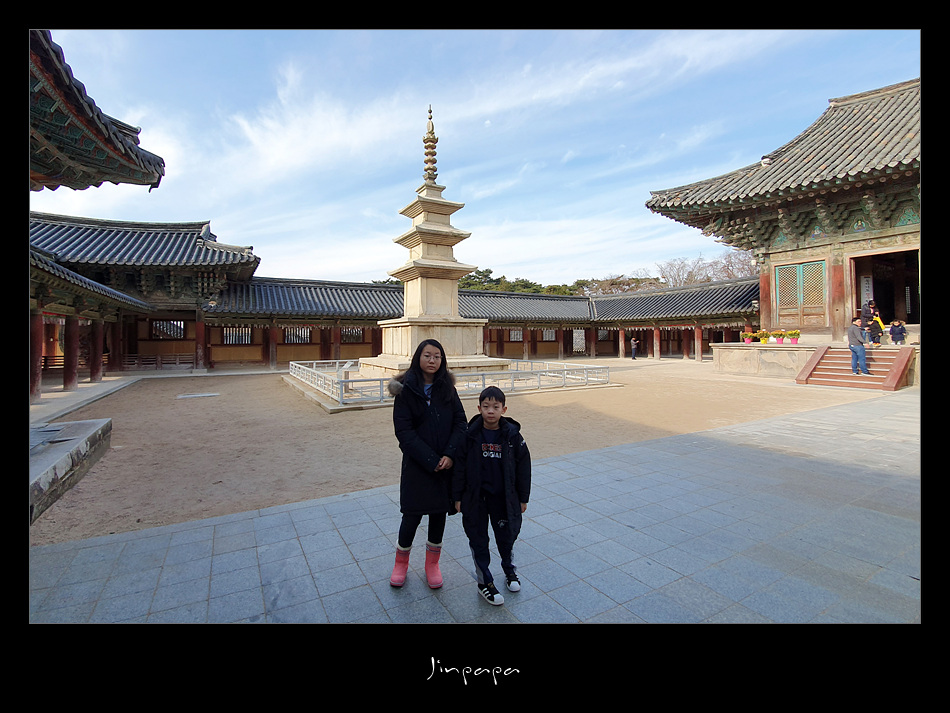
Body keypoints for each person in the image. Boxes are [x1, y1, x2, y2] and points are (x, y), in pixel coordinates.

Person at [387, 339, 467, 589]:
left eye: (437, 356)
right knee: (411, 516)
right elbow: (404, 431)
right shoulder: (406, 390)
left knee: (438, 515)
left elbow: (460, 422)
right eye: (427, 355)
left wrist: (450, 454)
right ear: (418, 358)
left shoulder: (447, 388)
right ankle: (401, 563)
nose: (432, 360)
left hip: (445, 465)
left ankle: (432, 564)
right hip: (418, 465)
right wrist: (430, 460)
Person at [453, 386, 531, 606]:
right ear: (479, 408)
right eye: (486, 406)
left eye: (495, 407)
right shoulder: (469, 435)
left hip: (503, 497)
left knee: (506, 537)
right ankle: (484, 582)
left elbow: (524, 467)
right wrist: (457, 497)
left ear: (503, 409)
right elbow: (459, 467)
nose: (490, 411)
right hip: (475, 498)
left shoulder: (513, 436)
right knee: (478, 540)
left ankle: (509, 569)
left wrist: (523, 497)